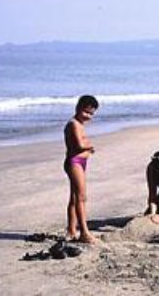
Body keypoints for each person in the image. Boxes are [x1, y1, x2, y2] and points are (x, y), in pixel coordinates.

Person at [63, 95, 100, 243]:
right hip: (74, 162)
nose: (88, 116)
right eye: (86, 112)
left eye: (91, 114)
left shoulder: (79, 124)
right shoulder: (73, 124)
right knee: (81, 197)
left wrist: (87, 150)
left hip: (80, 162)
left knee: (74, 198)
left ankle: (71, 230)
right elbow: (78, 145)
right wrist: (89, 146)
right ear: (78, 108)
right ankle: (84, 232)